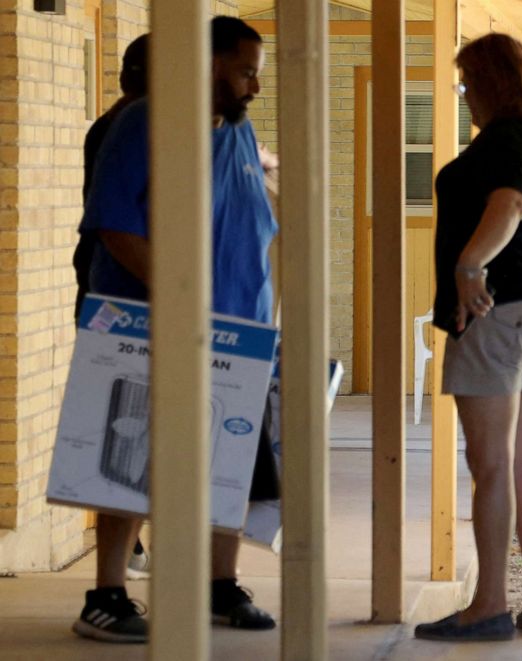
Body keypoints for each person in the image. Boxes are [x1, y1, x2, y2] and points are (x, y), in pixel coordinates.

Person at [72, 16, 277, 643]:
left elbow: (251, 221)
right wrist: (182, 298)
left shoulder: (239, 135)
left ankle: (219, 584)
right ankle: (106, 594)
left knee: (229, 460)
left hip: (235, 331)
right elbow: (113, 224)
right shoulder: (143, 122)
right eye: (245, 72)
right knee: (126, 458)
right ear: (209, 64)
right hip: (146, 324)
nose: (254, 88)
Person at [414, 33, 522, 642]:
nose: (465, 98)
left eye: (466, 84)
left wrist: (469, 268)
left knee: (489, 464)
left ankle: (487, 605)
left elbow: (509, 204)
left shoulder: (506, 140)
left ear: (490, 82)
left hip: (498, 309)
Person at [73, 32, 153, 583]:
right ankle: (115, 569)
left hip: (136, 293)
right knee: (126, 428)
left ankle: (133, 543)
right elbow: (115, 225)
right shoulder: (121, 128)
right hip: (122, 301)